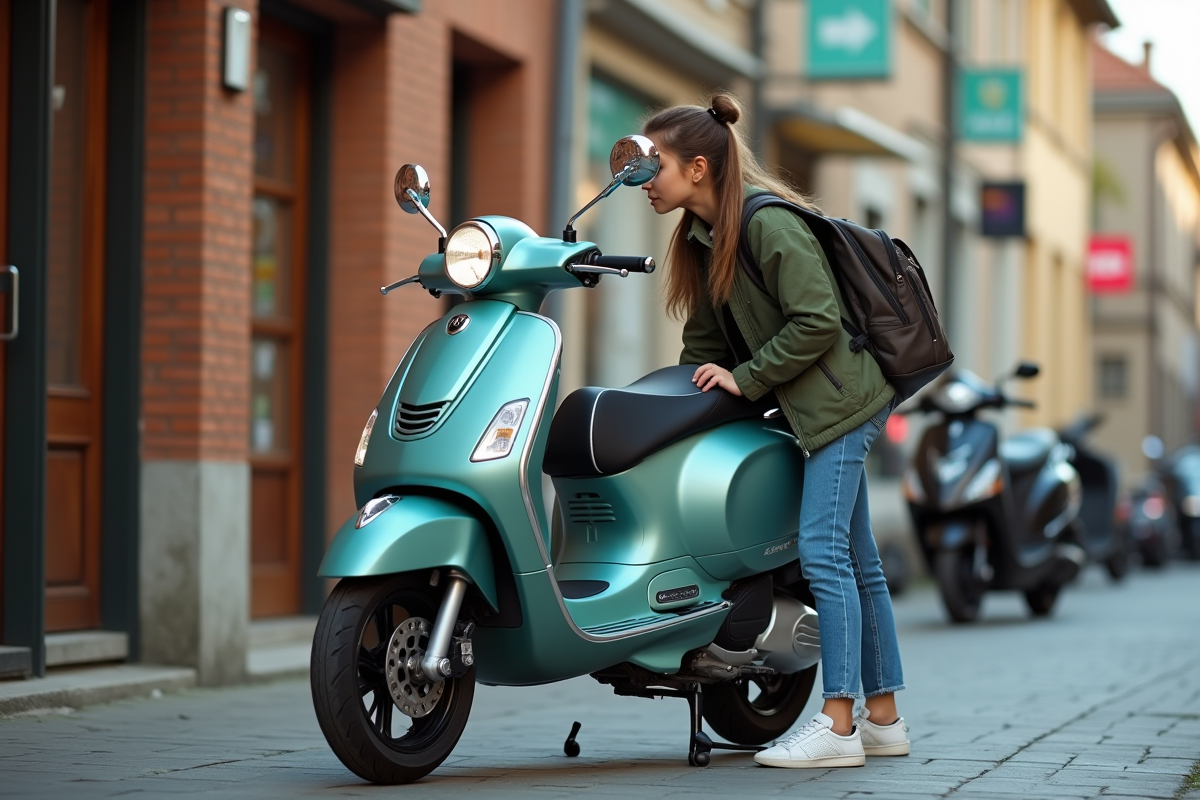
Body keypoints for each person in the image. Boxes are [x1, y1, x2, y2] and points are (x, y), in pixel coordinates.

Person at [640, 93, 910, 769]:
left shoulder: (766, 224)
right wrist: (675, 409)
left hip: (841, 404)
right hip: (816, 406)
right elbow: (704, 347)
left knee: (822, 553)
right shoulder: (702, 241)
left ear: (699, 168)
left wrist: (749, 378)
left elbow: (816, 321)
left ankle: (839, 724)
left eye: (657, 165)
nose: (645, 180)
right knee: (861, 564)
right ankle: (884, 719)